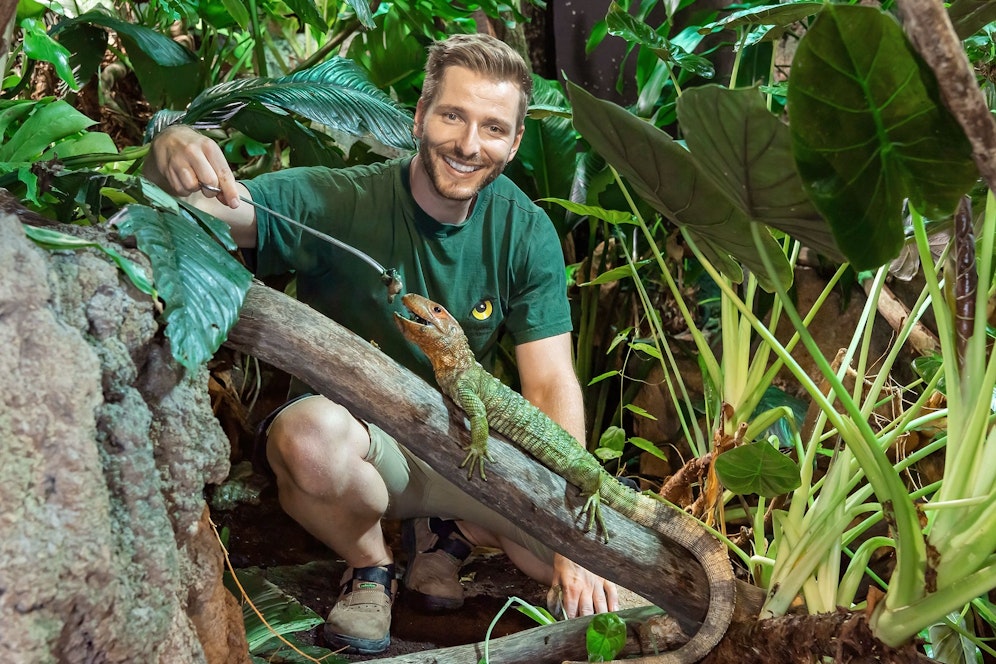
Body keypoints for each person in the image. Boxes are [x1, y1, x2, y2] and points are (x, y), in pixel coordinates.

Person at [143, 32, 618, 655]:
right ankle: (371, 565)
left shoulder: (525, 229)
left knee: (562, 569)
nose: (470, 145)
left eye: (493, 127)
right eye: (452, 116)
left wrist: (569, 539)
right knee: (308, 444)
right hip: (363, 448)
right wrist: (168, 147)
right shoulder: (343, 198)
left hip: (463, 447)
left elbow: (551, 382)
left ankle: (448, 535)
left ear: (515, 140)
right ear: (420, 116)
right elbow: (206, 207)